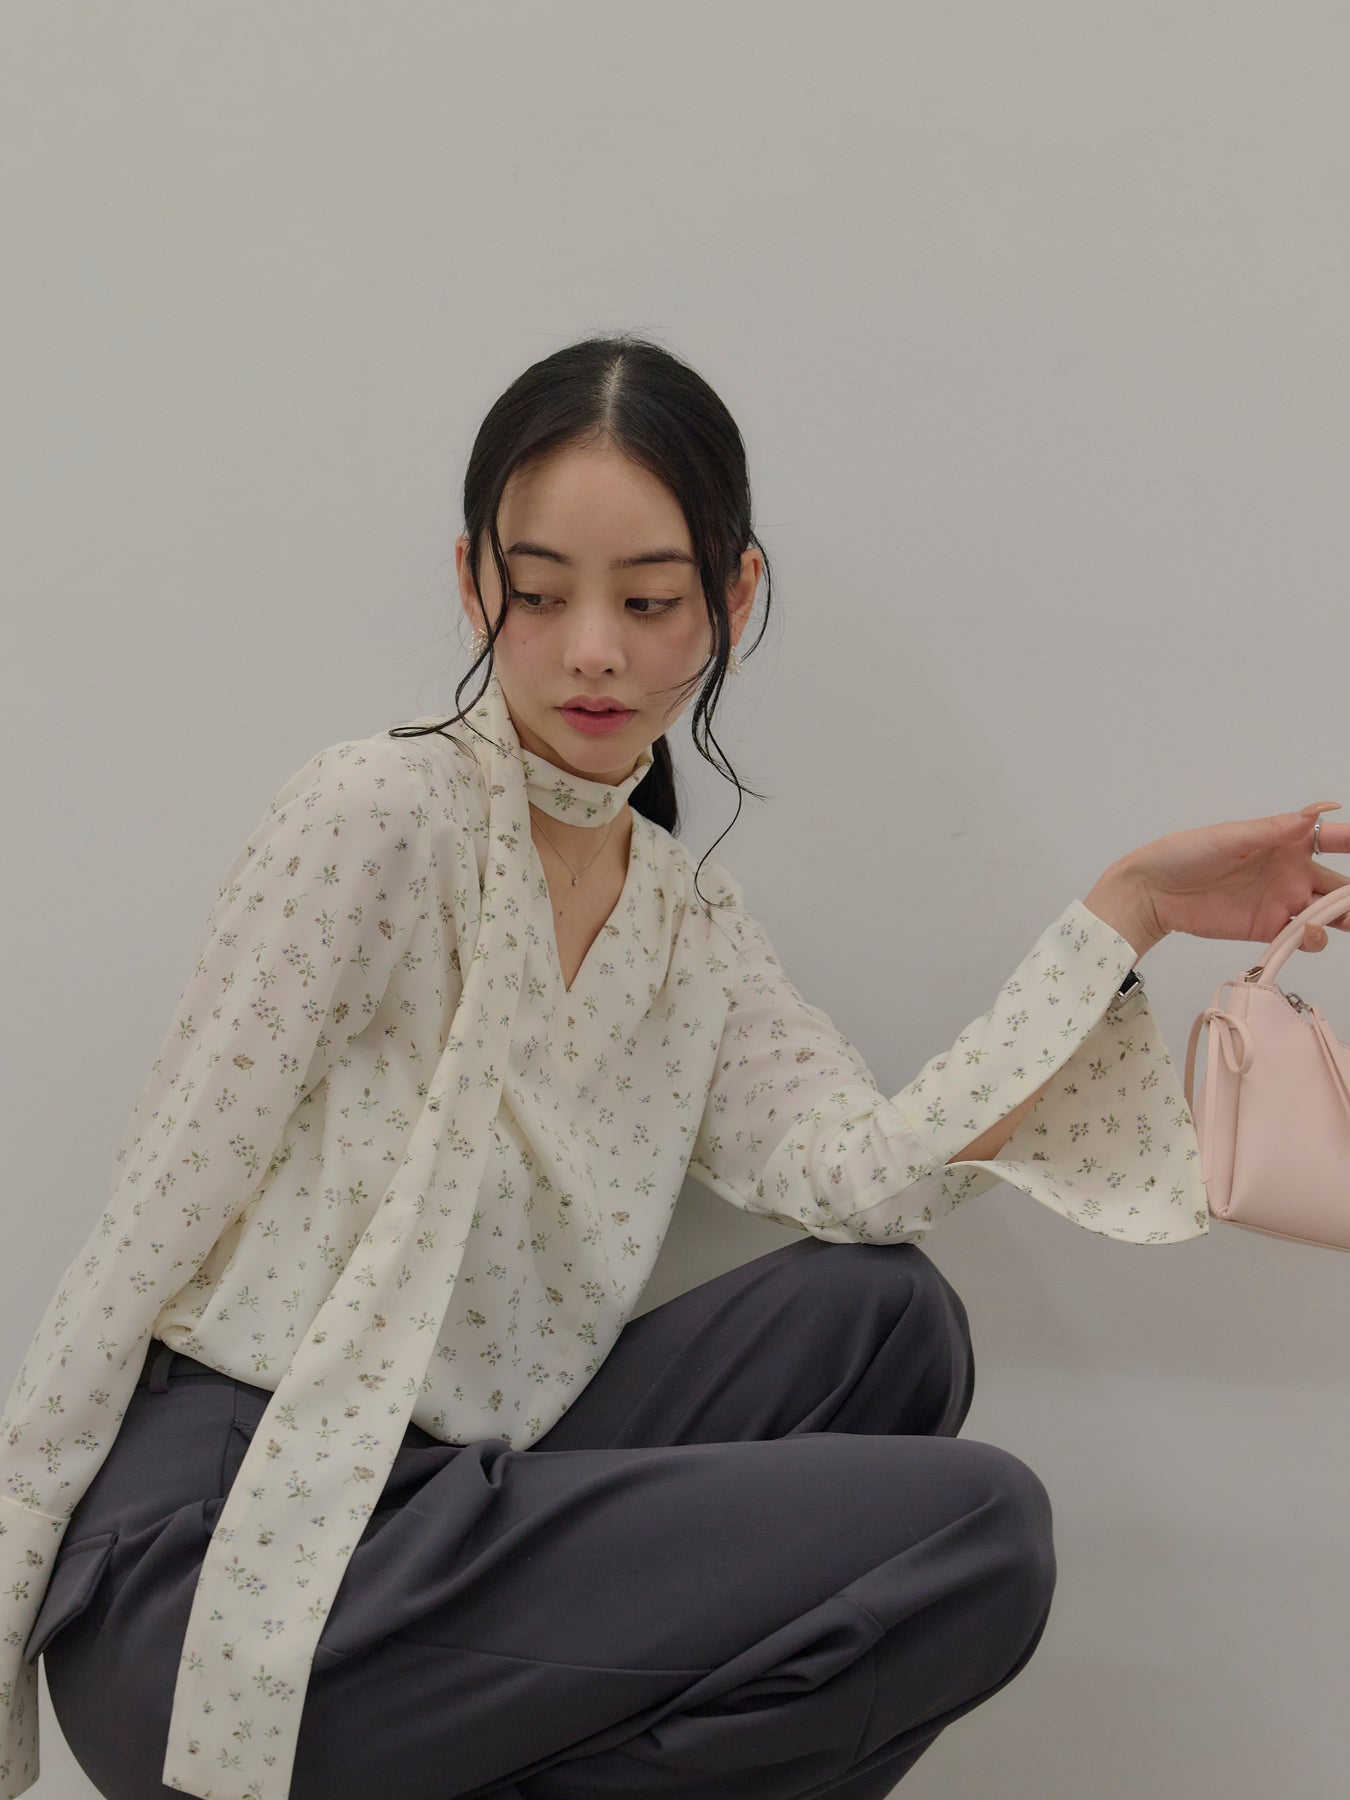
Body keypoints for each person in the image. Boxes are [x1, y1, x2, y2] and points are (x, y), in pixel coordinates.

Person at [1, 335, 1345, 1800]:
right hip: (231, 1548)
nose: (594, 649)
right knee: (977, 1529)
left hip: (448, 1508)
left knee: (881, 1319)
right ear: (474, 588)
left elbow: (873, 1181)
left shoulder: (687, 926)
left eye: (647, 601)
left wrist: (1126, 913)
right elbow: (153, 1215)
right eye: (540, 594)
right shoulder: (377, 811)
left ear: (732, 598)